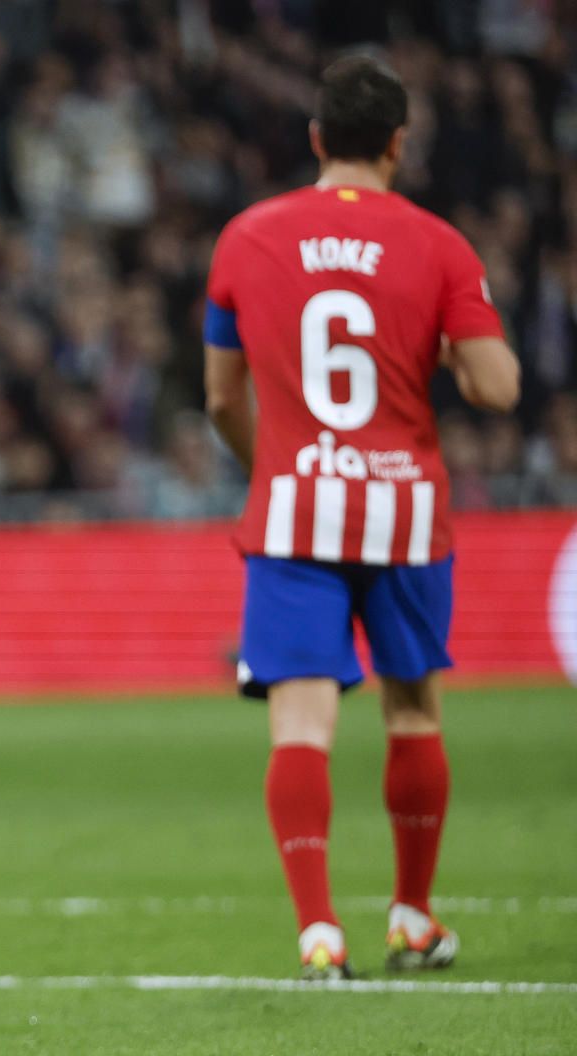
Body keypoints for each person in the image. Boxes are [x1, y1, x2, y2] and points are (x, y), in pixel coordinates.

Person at [202, 56, 520, 979]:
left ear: (314, 140)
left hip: (294, 510)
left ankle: (318, 934)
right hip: (404, 515)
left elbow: (221, 394)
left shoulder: (247, 236)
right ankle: (412, 919)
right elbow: (497, 387)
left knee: (301, 726)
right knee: (414, 711)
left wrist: (269, 459)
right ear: (397, 143)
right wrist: (462, 361)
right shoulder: (440, 244)